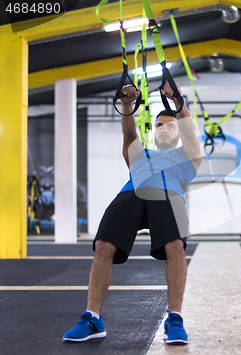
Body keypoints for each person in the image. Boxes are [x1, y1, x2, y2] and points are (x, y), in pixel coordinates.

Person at [63, 83, 202, 345]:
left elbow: (190, 129)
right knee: (103, 245)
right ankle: (93, 318)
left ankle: (175, 319)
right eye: (159, 125)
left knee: (175, 246)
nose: (164, 128)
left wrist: (178, 101)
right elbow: (129, 135)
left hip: (167, 194)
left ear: (179, 132)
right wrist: (127, 105)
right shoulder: (141, 155)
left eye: (170, 125)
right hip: (133, 192)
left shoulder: (188, 155)